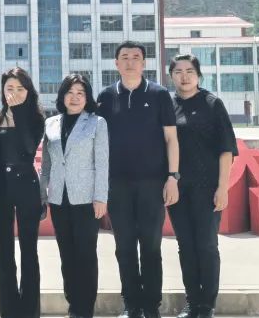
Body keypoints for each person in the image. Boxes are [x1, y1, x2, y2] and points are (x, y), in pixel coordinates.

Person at [97, 41, 180, 318]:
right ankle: (131, 305)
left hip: (152, 184)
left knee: (151, 246)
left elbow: (171, 139)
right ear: (116, 63)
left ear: (144, 63)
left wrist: (172, 177)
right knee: (124, 247)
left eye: (135, 57)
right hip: (117, 184)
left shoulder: (158, 94)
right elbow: (99, 143)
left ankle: (151, 306)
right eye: (124, 57)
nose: (130, 61)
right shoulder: (106, 97)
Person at [167, 55, 237, 318]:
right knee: (185, 245)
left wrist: (223, 187)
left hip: (207, 189)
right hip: (178, 189)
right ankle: (192, 301)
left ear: (198, 74)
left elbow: (226, 149)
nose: (184, 76)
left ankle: (207, 305)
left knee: (206, 245)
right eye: (178, 71)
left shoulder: (212, 103)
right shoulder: (167, 105)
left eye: (189, 71)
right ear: (171, 76)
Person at [41, 74, 110, 318]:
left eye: (81, 93)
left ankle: (85, 310)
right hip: (59, 199)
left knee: (86, 255)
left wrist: (101, 197)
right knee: (66, 255)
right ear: (62, 96)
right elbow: (46, 164)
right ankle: (73, 307)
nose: (75, 97)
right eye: (70, 92)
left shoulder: (97, 123)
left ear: (87, 97)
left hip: (86, 200)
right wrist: (43, 194)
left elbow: (102, 163)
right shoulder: (50, 123)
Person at [0, 68, 46, 318]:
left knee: (29, 250)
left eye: (20, 89)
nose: (14, 93)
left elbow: (29, 148)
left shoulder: (36, 119)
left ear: (28, 91)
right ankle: (9, 310)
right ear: (2, 91)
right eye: (9, 88)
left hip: (26, 186)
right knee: (5, 251)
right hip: (1, 189)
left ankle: (29, 310)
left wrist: (19, 114)